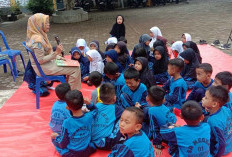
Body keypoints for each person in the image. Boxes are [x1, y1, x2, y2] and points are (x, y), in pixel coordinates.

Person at [26, 13, 81, 90]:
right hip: (43, 68)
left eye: (48, 23)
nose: (48, 25)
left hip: (46, 64)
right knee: (75, 69)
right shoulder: (37, 40)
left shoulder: (40, 35)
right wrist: (56, 53)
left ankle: (69, 91)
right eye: (45, 23)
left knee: (73, 64)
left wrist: (57, 56)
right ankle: (72, 95)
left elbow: (46, 53)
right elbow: (40, 60)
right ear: (38, 24)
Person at [51, 90, 96, 157]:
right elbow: (95, 110)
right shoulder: (89, 116)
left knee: (54, 139)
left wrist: (56, 137)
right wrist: (89, 104)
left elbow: (62, 143)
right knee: (92, 144)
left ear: (67, 107)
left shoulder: (67, 123)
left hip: (73, 153)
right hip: (87, 150)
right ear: (83, 103)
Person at [86, 83, 124, 150]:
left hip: (90, 140)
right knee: (123, 120)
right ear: (114, 98)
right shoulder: (118, 109)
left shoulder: (95, 106)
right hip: (106, 143)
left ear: (99, 97)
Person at [202, 86, 232, 156]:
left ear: (214, 104)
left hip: (223, 149)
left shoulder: (213, 121)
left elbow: (221, 143)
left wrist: (215, 155)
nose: (203, 98)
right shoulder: (225, 109)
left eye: (206, 98)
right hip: (230, 142)